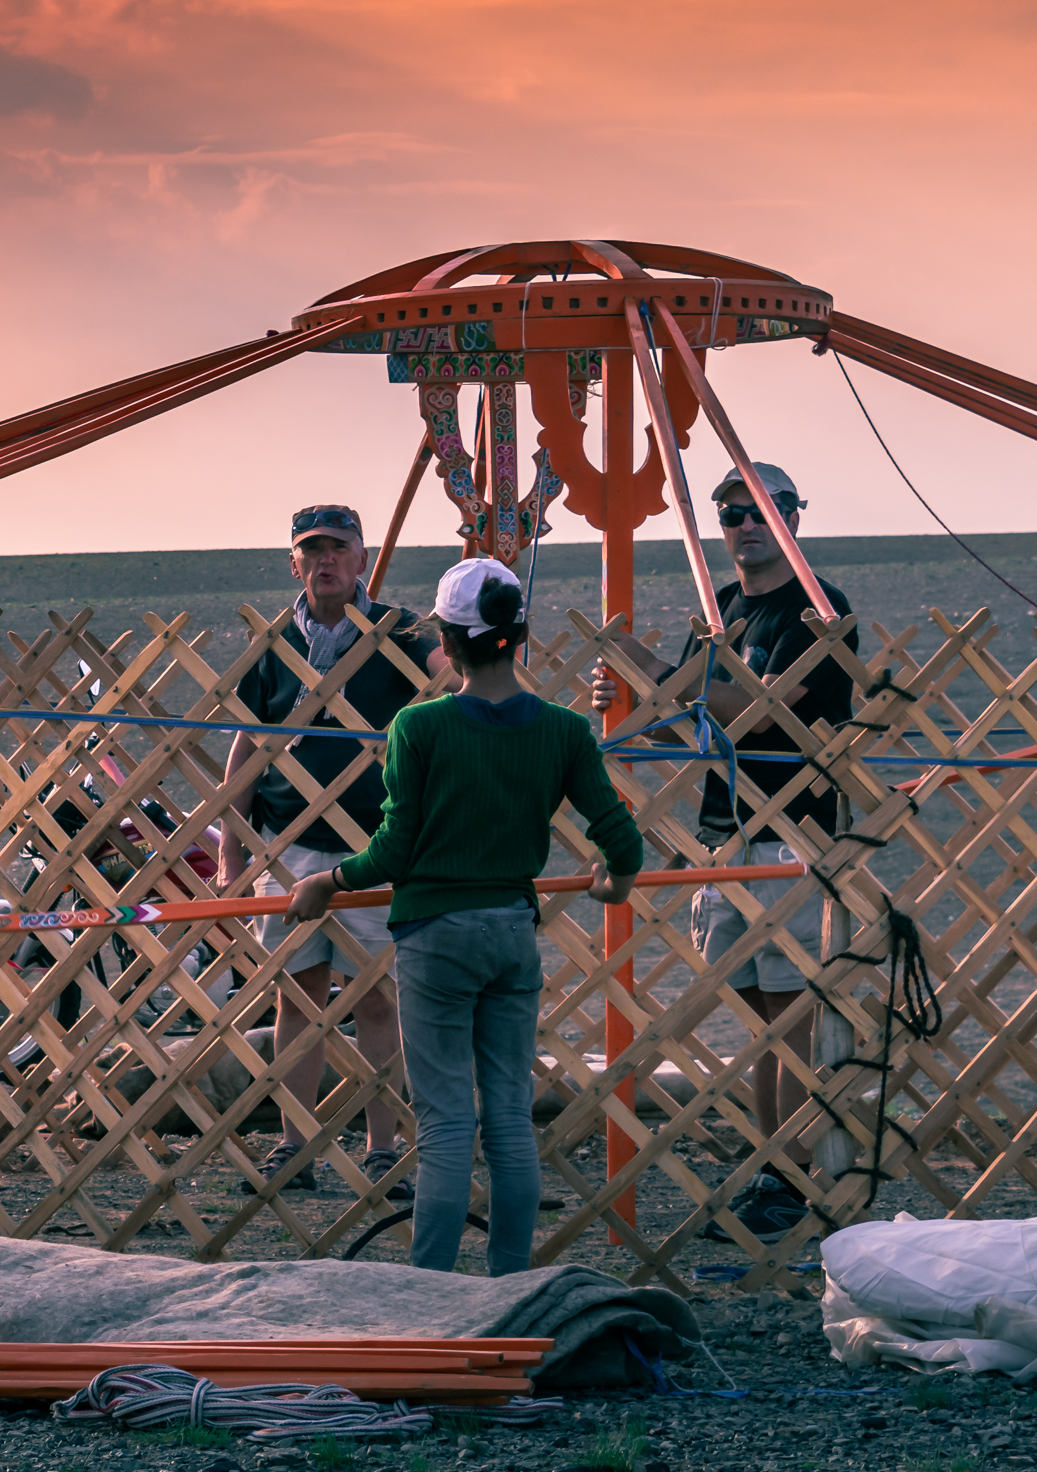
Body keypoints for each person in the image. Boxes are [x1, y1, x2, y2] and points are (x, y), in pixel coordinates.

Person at [290, 558, 643, 1276]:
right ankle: (511, 1285)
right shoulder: (565, 732)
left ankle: (433, 1292)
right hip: (511, 932)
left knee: (448, 1123)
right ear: (520, 635)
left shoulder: (418, 727)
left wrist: (326, 881)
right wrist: (616, 881)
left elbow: (393, 851)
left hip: (436, 937)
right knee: (510, 1117)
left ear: (445, 642)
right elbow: (622, 836)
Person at [588, 461, 856, 1240]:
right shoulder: (725, 611)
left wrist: (656, 675)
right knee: (760, 1024)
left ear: (792, 516)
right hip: (728, 837)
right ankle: (776, 1169)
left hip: (794, 839)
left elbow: (756, 716)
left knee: (793, 1022)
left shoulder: (818, 608)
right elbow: (694, 728)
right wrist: (631, 703)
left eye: (758, 510)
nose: (742, 524)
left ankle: (795, 1177)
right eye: (730, 512)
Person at [219, 504, 439, 1196]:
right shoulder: (273, 641)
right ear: (294, 562)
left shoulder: (400, 630)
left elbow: (450, 681)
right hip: (289, 845)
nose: (325, 561)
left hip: (376, 844)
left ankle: (381, 1148)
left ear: (362, 558)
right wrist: (232, 846)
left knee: (376, 997)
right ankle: (295, 1145)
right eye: (311, 550)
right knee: (295, 997)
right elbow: (248, 746)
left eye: (337, 548)